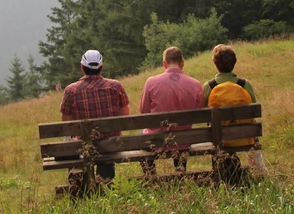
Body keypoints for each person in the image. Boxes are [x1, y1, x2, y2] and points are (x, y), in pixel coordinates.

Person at [59, 49, 130, 181]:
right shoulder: (116, 86)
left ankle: (80, 182)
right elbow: (124, 116)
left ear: (82, 68)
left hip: (83, 146)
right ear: (101, 67)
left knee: (71, 141)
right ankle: (105, 181)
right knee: (108, 143)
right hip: (111, 144)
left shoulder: (71, 90)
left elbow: (66, 124)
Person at [202, 44, 268, 178]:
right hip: (245, 136)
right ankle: (256, 172)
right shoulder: (245, 84)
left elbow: (203, 114)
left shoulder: (209, 86)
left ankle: (222, 173)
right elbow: (252, 106)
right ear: (234, 63)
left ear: (215, 64)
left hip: (219, 139)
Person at [139, 46, 203, 174]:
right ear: (182, 63)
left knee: (142, 135)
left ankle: (151, 176)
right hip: (184, 140)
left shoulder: (151, 82)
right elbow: (199, 112)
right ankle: (181, 172)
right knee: (182, 134)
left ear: (164, 63)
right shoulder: (196, 84)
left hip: (157, 140)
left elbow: (144, 111)